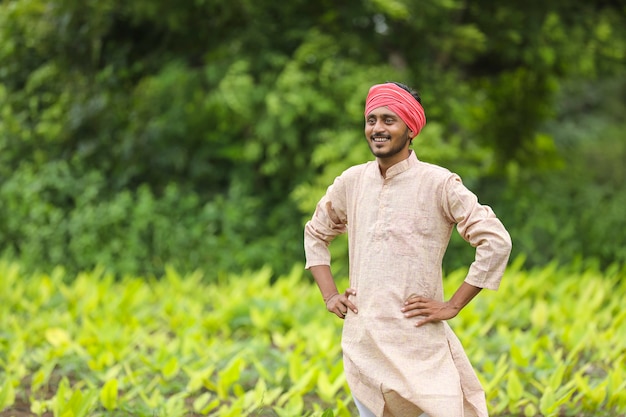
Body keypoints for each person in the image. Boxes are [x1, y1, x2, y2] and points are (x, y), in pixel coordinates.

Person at [303, 82, 512, 417]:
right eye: (371, 120)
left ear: (410, 128)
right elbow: (315, 232)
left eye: (389, 120)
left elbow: (495, 241)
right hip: (365, 342)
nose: (377, 128)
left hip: (418, 343)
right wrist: (329, 295)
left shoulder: (439, 183)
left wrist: (453, 305)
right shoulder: (351, 182)